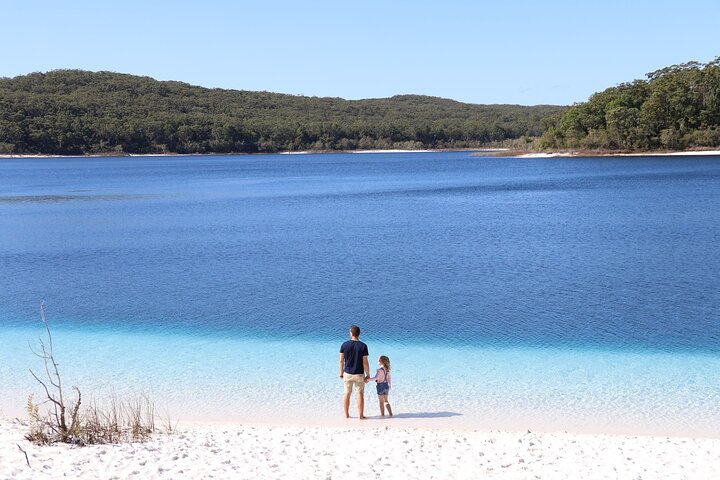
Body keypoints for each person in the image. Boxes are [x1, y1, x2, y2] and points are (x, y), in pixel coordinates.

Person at [339, 325, 370, 419]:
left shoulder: (344, 345)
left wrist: (341, 372)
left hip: (347, 373)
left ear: (351, 333)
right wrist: (368, 374)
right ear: (359, 334)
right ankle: (361, 415)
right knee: (360, 394)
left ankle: (346, 415)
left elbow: (341, 361)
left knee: (347, 393)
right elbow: (365, 362)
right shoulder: (363, 346)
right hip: (359, 374)